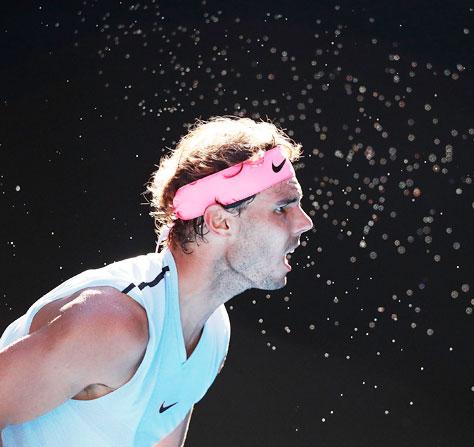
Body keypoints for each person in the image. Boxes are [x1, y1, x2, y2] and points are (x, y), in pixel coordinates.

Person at [0, 116, 314, 446]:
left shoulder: (213, 332)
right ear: (220, 222)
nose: (303, 222)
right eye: (283, 208)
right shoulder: (111, 324)